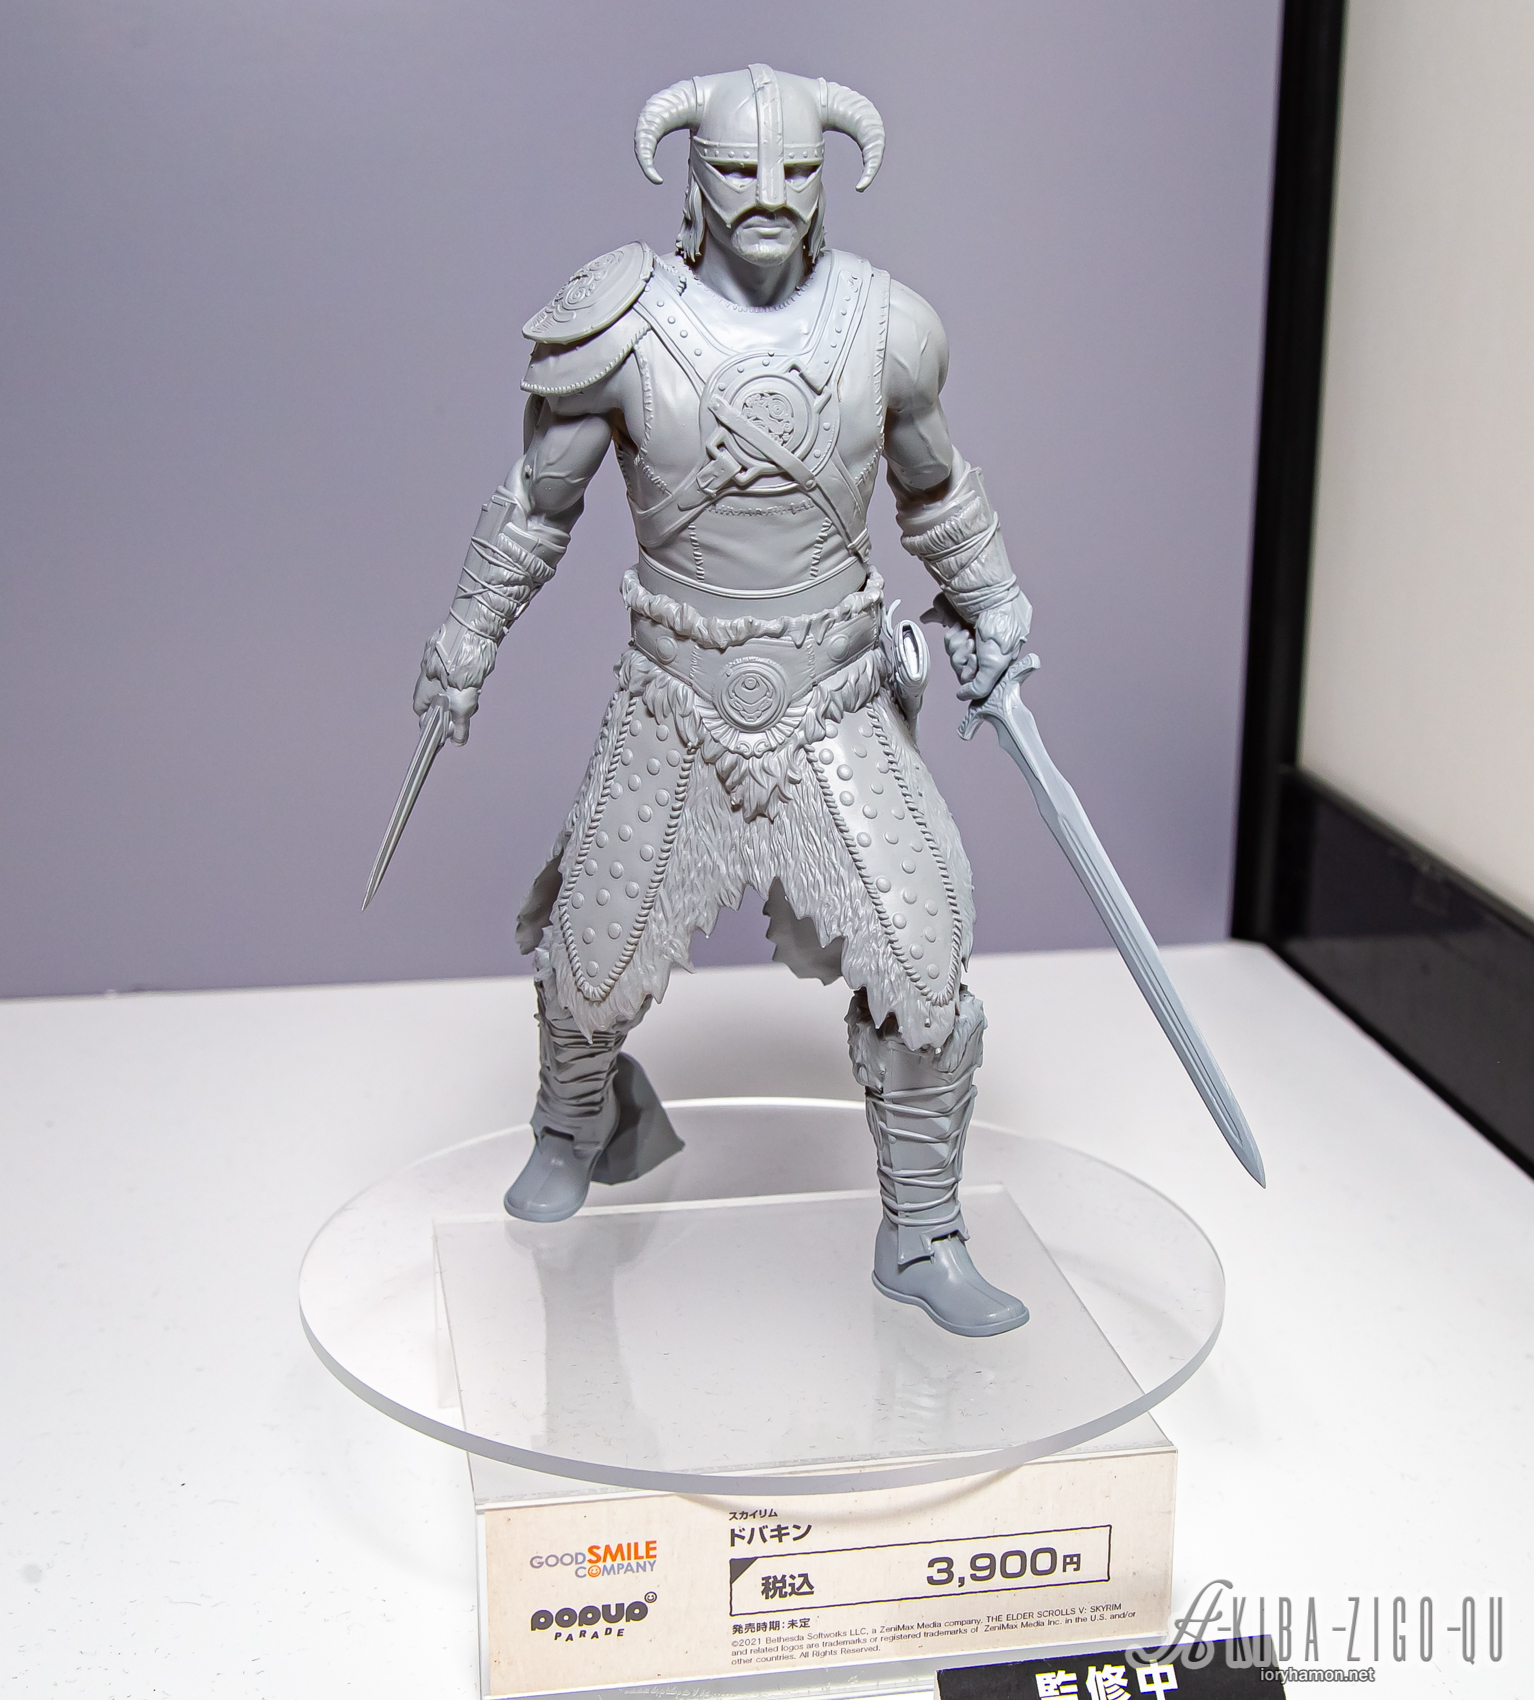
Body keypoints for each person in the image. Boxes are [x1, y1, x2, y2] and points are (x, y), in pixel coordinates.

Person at [412, 67, 1034, 1336]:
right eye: (739, 170)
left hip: (832, 694)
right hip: (677, 692)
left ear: (826, 182)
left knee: (924, 967)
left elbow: (932, 486)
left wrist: (994, 600)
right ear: (692, 179)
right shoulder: (622, 323)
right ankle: (581, 1124)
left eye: (795, 172)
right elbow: (537, 504)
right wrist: (467, 635)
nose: (766, 196)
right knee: (589, 960)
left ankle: (922, 1234)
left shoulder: (886, 326)